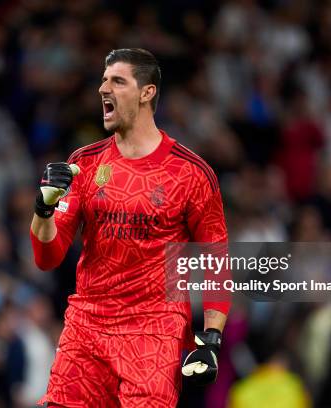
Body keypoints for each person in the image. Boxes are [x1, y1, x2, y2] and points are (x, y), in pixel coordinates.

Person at [30, 48, 230, 407]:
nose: (103, 89)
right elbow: (48, 256)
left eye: (117, 81)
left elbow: (216, 260)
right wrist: (43, 210)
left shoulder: (190, 173)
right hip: (87, 325)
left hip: (154, 331)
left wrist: (211, 340)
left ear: (146, 92)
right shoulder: (84, 164)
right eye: (103, 80)